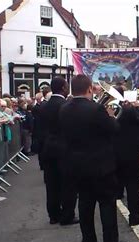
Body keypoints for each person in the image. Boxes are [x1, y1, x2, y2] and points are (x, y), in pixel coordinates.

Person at [60, 74, 130, 242]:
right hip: (101, 165)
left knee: (85, 204)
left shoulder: (64, 109)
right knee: (107, 204)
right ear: (89, 89)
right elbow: (113, 130)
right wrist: (111, 117)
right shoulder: (96, 109)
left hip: (77, 165)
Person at [40, 77, 78, 226]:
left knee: (51, 184)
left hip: (48, 148)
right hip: (64, 149)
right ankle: (67, 215)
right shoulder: (66, 105)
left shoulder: (44, 106)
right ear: (63, 88)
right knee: (67, 184)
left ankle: (53, 215)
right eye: (67, 86)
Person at [112, 85, 139, 226]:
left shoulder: (111, 109)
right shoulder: (130, 109)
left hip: (115, 151)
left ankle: (119, 194)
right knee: (132, 186)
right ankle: (134, 216)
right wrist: (138, 107)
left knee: (118, 179)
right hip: (132, 151)